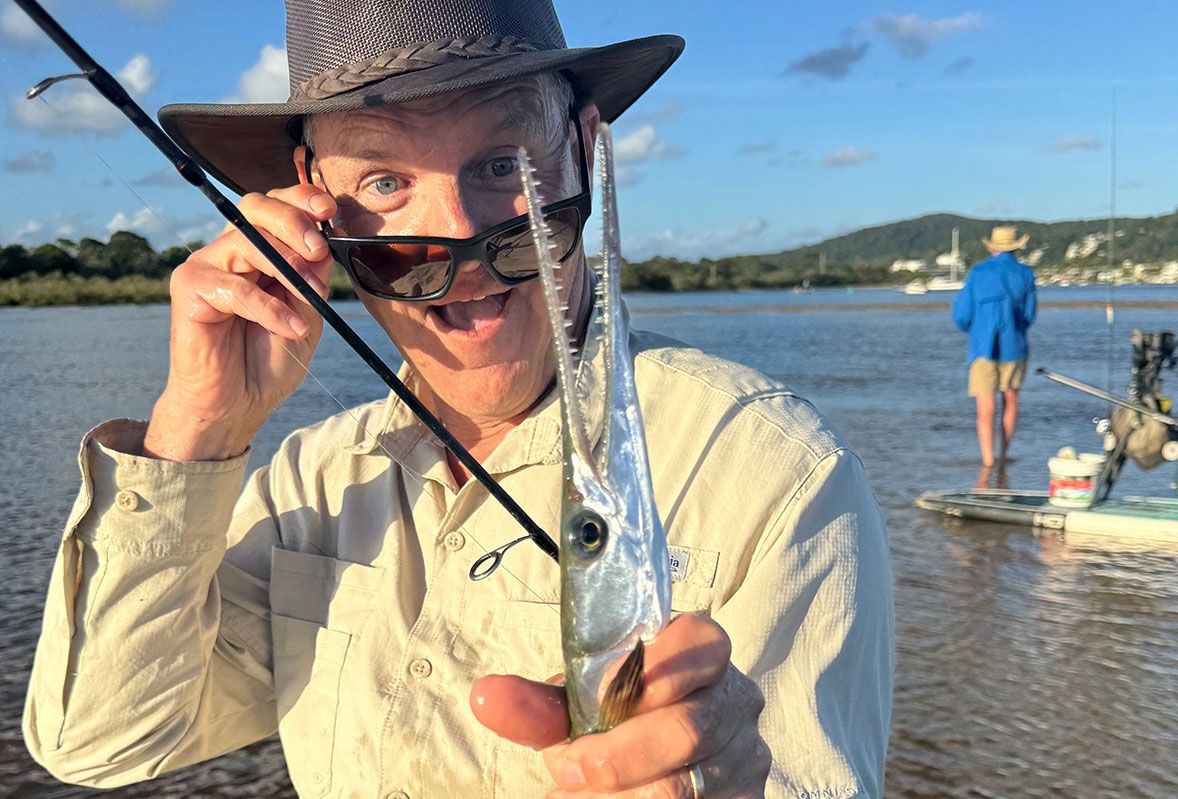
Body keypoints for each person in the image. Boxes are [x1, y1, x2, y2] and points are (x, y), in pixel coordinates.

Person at [22, 2, 894, 797]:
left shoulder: (773, 470)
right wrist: (195, 431)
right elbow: (102, 740)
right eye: (384, 182)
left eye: (500, 164)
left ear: (584, 152)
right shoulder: (309, 483)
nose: (463, 241)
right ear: (310, 199)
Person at [952, 226, 1038, 468]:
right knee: (1011, 400)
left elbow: (961, 314)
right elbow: (1029, 315)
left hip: (982, 346)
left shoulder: (978, 272)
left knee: (986, 406)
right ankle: (1003, 454)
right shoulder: (1025, 274)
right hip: (1015, 345)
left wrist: (977, 328)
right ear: (1015, 247)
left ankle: (988, 460)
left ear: (993, 247)